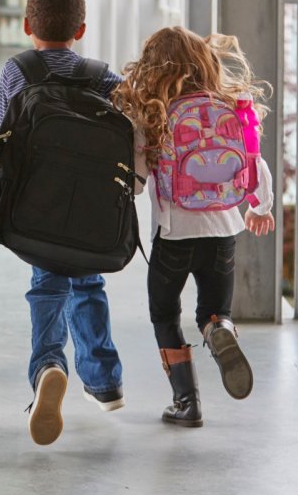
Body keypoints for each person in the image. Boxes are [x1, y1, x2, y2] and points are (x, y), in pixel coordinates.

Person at [113, 26, 276, 427]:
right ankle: (219, 329)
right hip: (224, 230)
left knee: (165, 314)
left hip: (173, 234)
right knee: (213, 307)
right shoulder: (230, 105)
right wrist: (260, 207)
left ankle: (187, 403)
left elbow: (135, 183)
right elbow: (256, 163)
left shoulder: (153, 112)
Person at [0, 0, 127, 446]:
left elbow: (3, 138)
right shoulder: (102, 76)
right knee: (88, 282)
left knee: (46, 284)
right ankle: (105, 383)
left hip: (38, 205)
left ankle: (49, 365)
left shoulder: (17, 71)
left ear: (28, 27)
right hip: (92, 209)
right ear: (82, 30)